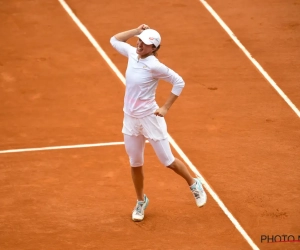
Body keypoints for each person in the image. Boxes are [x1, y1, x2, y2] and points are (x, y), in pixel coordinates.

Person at [110, 24, 207, 222]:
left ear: (154, 48)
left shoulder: (155, 66)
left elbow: (179, 82)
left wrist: (165, 108)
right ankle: (141, 201)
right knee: (135, 162)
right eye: (140, 41)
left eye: (145, 44)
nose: (140, 45)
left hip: (150, 118)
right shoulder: (132, 53)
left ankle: (194, 183)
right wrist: (136, 31)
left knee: (167, 161)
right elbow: (114, 40)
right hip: (130, 118)